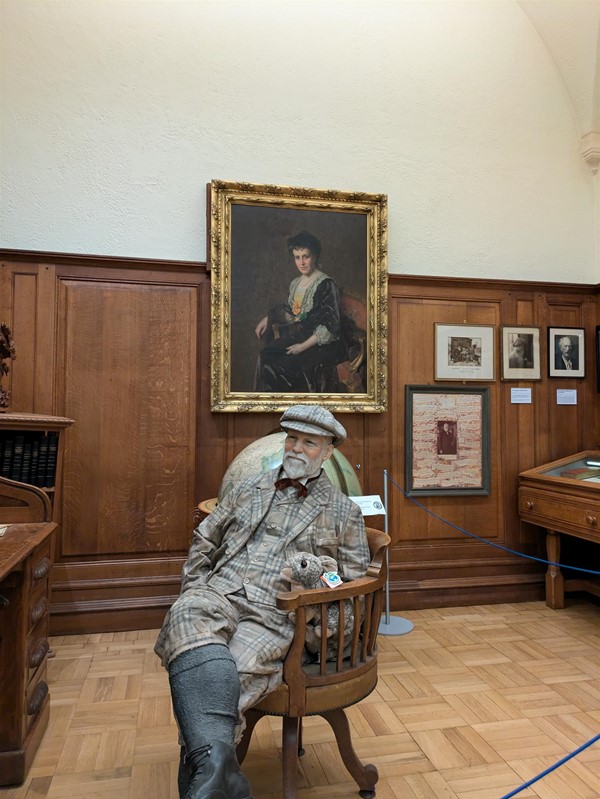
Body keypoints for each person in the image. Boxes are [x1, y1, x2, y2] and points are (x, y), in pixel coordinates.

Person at [155, 405, 369, 799]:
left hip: (274, 615)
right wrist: (196, 585)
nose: (296, 448)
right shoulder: (248, 487)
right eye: (292, 438)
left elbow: (349, 585)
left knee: (222, 681)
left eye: (309, 442)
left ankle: (208, 777)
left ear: (328, 452)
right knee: (183, 615)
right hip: (219, 591)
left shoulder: (344, 513)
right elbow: (206, 537)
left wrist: (315, 592)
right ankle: (221, 775)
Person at [253, 231, 349, 393]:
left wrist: (302, 347)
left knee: (284, 364)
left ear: (315, 256)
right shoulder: (295, 283)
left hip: (323, 344)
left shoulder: (326, 284)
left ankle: (287, 407)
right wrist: (267, 318)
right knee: (266, 356)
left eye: (306, 256)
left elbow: (331, 326)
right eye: (297, 257)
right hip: (302, 335)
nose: (302, 262)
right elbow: (292, 314)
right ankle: (267, 406)